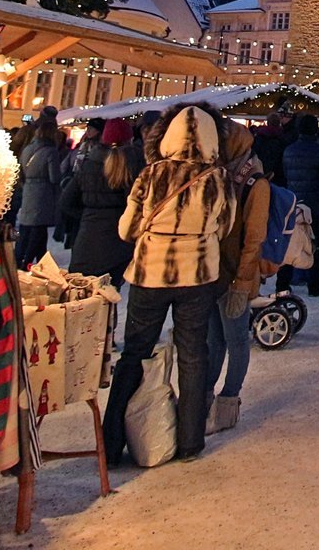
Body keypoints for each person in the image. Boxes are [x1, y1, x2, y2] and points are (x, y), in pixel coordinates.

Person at [103, 105, 234, 465]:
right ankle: (190, 440)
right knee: (193, 354)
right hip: (196, 276)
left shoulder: (152, 175)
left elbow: (126, 229)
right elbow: (224, 228)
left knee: (135, 352)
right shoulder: (217, 179)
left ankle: (112, 441)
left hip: (151, 273)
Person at [204, 116, 271, 433]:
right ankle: (202, 401)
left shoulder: (255, 183)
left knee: (235, 341)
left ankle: (228, 402)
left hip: (235, 276)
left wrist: (243, 283)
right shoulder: (216, 177)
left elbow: (254, 238)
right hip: (213, 273)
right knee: (213, 341)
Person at [65, 117, 136, 287]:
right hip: (118, 242)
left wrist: (87, 217)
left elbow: (66, 201)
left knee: (82, 299)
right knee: (109, 297)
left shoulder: (89, 165)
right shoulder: (133, 166)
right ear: (129, 140)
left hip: (87, 238)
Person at [279, 114, 319, 294]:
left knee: (291, 243)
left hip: (293, 204)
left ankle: (283, 282)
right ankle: (314, 284)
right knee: (316, 245)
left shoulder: (289, 151)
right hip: (316, 206)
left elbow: (285, 175)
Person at [15, 112, 66, 267]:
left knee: (29, 229)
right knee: (38, 230)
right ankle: (28, 261)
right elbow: (54, 177)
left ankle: (31, 258)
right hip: (43, 194)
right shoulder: (50, 151)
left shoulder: (28, 148)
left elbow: (21, 170)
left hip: (29, 190)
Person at [252, 110, 289, 184]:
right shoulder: (284, 137)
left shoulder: (260, 137)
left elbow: (254, 154)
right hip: (278, 174)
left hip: (261, 172)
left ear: (268, 122)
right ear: (279, 123)